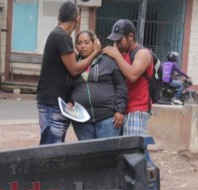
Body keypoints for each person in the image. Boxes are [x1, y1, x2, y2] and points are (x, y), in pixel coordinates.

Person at [37, 1, 101, 145]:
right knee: (51, 150)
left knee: (52, 147)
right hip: (53, 104)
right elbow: (74, 69)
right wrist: (95, 52)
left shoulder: (56, 34)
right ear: (77, 19)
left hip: (52, 102)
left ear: (59, 17)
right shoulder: (62, 37)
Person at [70, 30, 127, 140]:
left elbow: (120, 86)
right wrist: (69, 101)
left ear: (95, 43)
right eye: (79, 43)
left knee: (105, 153)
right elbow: (68, 86)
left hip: (107, 118)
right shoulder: (74, 64)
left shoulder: (108, 60)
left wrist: (120, 110)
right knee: (87, 153)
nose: (82, 46)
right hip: (81, 119)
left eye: (87, 42)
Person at [102, 19, 153, 136]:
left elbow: (133, 75)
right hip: (121, 109)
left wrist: (116, 55)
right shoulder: (122, 54)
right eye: (115, 41)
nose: (117, 44)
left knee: (132, 150)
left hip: (137, 110)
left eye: (119, 40)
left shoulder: (142, 53)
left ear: (130, 36)